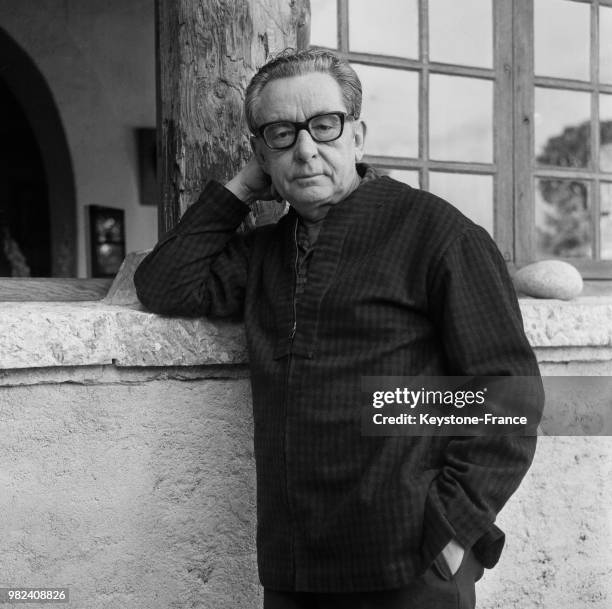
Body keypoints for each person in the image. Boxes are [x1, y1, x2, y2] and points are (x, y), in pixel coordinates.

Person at [134, 49, 543, 609]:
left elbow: (509, 399)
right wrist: (243, 187)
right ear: (260, 152)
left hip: (409, 562)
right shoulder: (265, 253)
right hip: (296, 564)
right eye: (281, 134)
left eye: (325, 126)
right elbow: (166, 284)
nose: (306, 150)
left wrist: (449, 529)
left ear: (358, 135)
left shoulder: (438, 234)